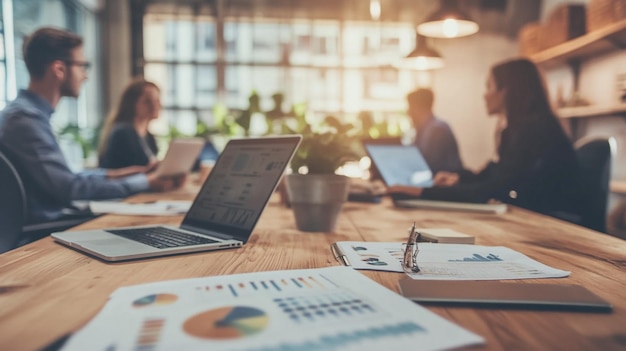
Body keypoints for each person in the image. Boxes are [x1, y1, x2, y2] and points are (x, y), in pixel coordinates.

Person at [0, 27, 179, 225]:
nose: (85, 76)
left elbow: (68, 176)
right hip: (47, 230)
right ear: (59, 69)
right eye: (82, 66)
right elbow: (70, 188)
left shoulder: (26, 115)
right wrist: (146, 182)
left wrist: (121, 174)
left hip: (58, 220)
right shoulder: (25, 120)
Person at [389, 58, 580, 216]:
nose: (485, 95)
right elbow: (495, 174)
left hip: (551, 227)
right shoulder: (520, 130)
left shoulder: (535, 132)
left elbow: (494, 187)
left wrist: (423, 192)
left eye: (489, 86)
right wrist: (458, 178)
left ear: (506, 91)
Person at [98, 78, 160, 169]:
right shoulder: (123, 133)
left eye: (157, 100)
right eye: (148, 101)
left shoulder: (149, 137)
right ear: (132, 103)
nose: (155, 105)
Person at [407, 88, 463, 174]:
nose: (408, 112)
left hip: (444, 183)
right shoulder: (425, 129)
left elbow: (428, 166)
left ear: (419, 108)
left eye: (410, 106)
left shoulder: (437, 130)